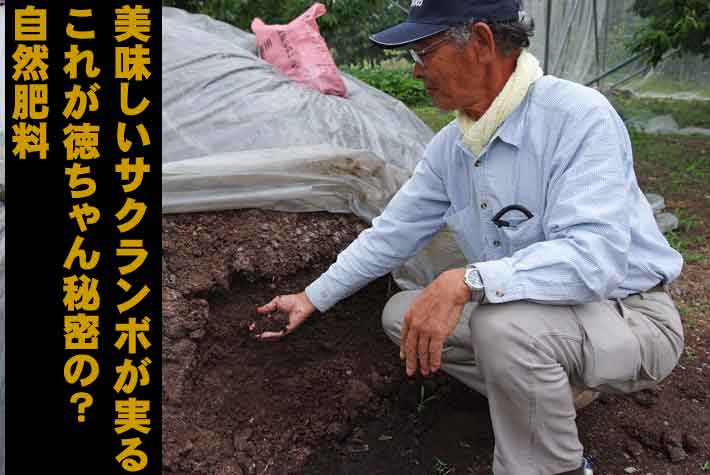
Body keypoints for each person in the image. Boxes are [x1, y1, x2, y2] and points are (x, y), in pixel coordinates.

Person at [251, 1, 684, 474]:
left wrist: (468, 279)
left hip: (631, 315)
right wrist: (311, 297)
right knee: (405, 315)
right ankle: (551, 388)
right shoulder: (452, 148)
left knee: (505, 328)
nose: (416, 72)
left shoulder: (578, 118)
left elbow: (592, 261)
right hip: (548, 322)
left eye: (423, 53)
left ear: (480, 41)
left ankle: (553, 466)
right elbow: (391, 234)